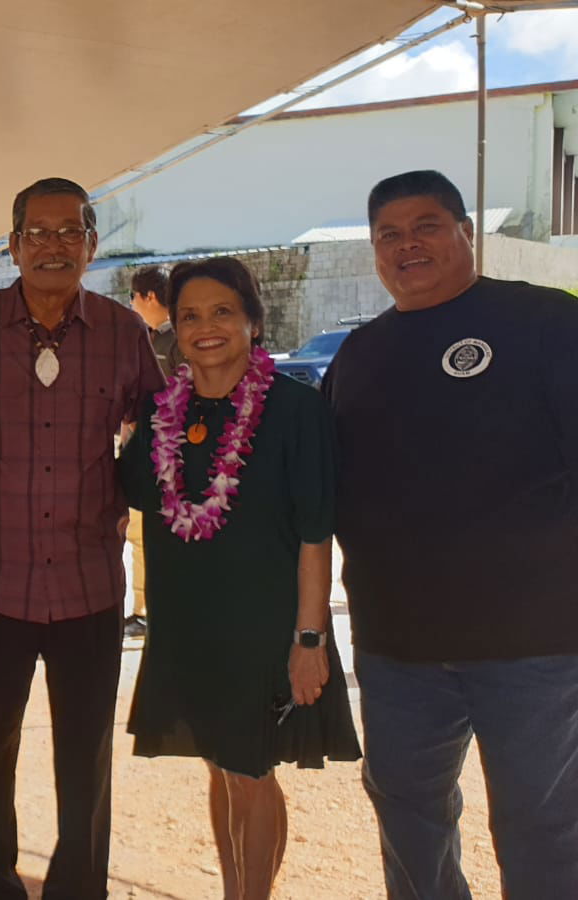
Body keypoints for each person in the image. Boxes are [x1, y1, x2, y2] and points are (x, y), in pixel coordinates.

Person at [325, 169, 578, 898]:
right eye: (389, 235)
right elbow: (324, 491)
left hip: (533, 647)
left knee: (540, 828)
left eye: (427, 226)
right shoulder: (358, 354)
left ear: (466, 232)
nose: (407, 244)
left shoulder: (545, 322)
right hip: (397, 649)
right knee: (407, 818)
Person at [0, 177, 163, 899]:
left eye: (70, 231)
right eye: (38, 232)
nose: (54, 245)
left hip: (89, 588)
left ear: (91, 244)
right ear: (15, 244)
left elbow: (165, 436)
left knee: (87, 762)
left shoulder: (123, 333)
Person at [119, 256, 361, 900]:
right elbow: (133, 493)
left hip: (264, 627)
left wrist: (309, 640)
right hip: (188, 625)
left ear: (253, 321)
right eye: (190, 316)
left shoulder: (295, 410)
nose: (206, 328)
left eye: (222, 312)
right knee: (221, 767)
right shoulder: (162, 413)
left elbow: (316, 533)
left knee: (251, 772)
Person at [123, 264, 180, 642]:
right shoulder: (147, 338)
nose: (131, 304)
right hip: (143, 453)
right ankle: (143, 609)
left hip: (168, 457)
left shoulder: (177, 342)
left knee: (160, 536)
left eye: (133, 297)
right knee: (140, 536)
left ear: (149, 297)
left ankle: (160, 609)